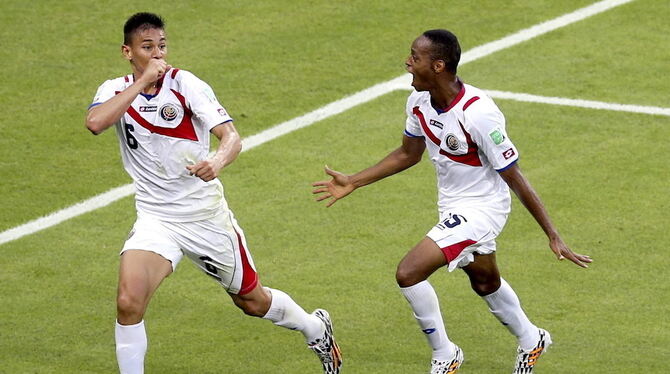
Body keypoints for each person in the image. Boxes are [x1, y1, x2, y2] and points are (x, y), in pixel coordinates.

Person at [312, 29, 591, 374]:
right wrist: (354, 180)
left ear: (439, 65)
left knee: (409, 272)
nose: (408, 63)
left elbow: (515, 176)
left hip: (483, 209)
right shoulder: (418, 101)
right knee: (485, 282)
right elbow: (408, 153)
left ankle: (446, 354)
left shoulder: (478, 113)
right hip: (452, 205)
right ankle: (532, 339)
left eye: (415, 57)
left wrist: (552, 234)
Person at [85, 12, 341, 374]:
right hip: (157, 218)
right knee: (128, 302)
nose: (158, 55)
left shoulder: (185, 83)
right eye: (147, 48)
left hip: (204, 217)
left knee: (251, 301)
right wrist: (141, 82)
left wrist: (218, 162)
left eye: (162, 46)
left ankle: (315, 328)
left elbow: (231, 137)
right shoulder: (112, 90)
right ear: (128, 52)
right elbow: (95, 123)